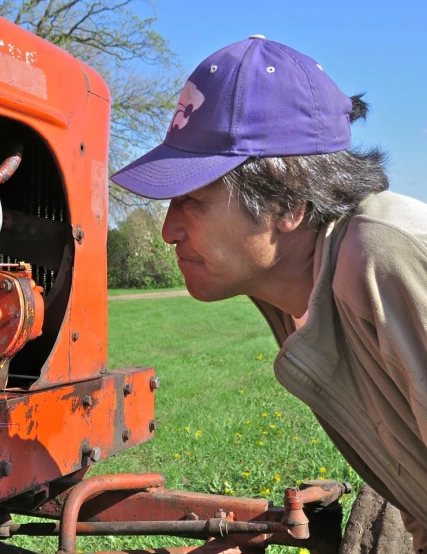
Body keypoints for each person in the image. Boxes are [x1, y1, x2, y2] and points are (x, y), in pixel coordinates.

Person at [110, 35, 427, 552]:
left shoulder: (384, 258)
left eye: (191, 200)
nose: (168, 231)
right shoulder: (290, 285)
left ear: (288, 202)